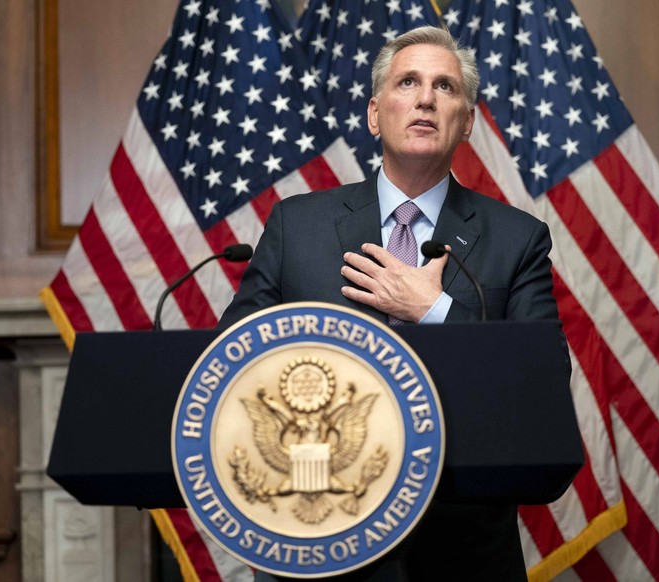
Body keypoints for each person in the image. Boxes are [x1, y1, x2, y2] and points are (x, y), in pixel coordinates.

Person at [220, 26, 562, 581]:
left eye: (445, 87)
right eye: (409, 82)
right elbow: (230, 363)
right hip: (318, 539)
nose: (426, 98)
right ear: (376, 115)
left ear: (467, 121)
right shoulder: (297, 225)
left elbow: (541, 382)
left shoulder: (517, 238)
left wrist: (437, 312)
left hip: (460, 550)